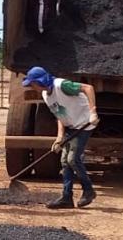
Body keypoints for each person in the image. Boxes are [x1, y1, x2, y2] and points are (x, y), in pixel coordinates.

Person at [21, 66, 99, 209]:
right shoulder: (46, 95)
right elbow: (59, 114)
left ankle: (89, 191)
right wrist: (60, 137)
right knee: (64, 162)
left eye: (32, 84)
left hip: (85, 123)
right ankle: (66, 197)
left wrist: (93, 112)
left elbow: (88, 88)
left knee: (73, 159)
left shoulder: (62, 85)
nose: (32, 87)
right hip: (71, 125)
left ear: (40, 81)